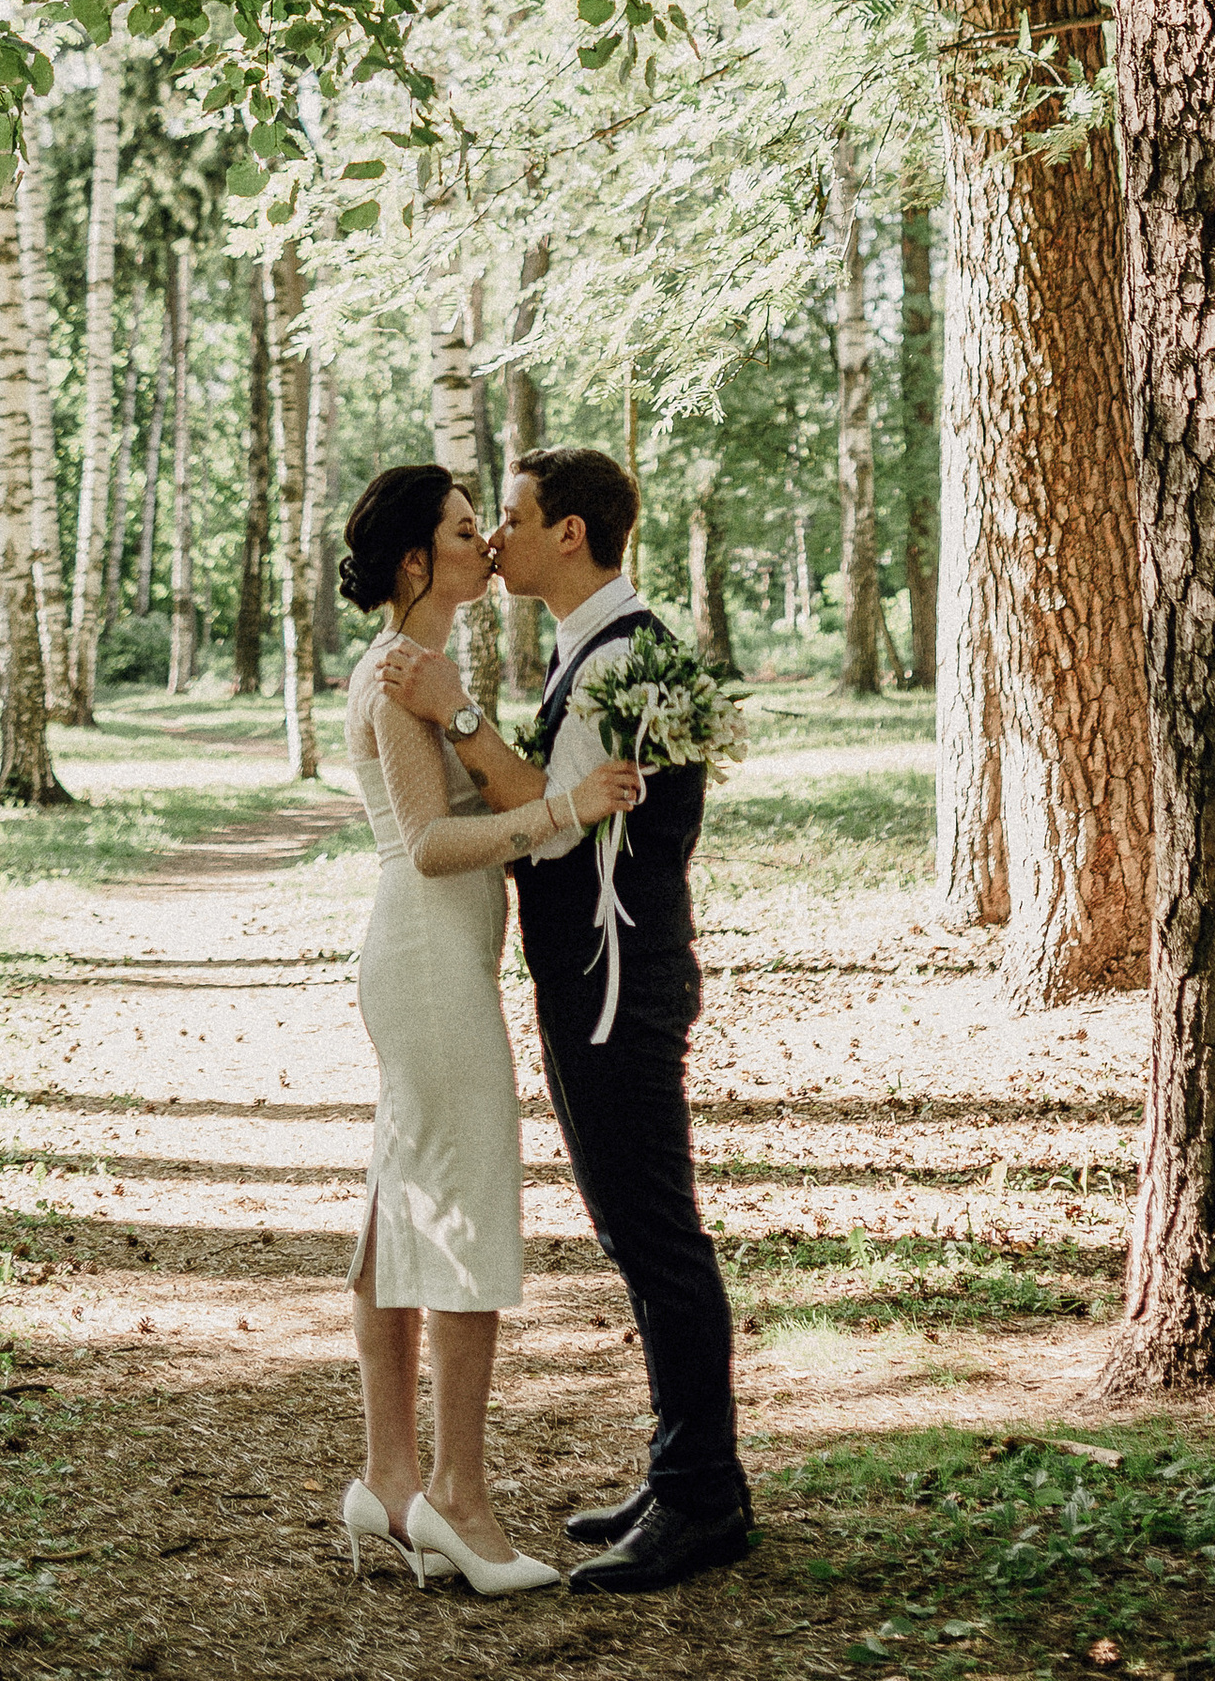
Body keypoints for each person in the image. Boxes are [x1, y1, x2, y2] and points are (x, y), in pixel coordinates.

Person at [382, 443, 755, 1595]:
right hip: (602, 979)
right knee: (632, 1229)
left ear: (571, 535)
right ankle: (679, 1464)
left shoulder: (620, 661)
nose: (495, 538)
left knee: (655, 1232)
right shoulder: (594, 652)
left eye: (512, 517)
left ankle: (705, 1498)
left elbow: (552, 829)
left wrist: (456, 717)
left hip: (616, 986)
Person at [338, 462, 643, 1597]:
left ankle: (388, 1475)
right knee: (462, 1204)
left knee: (404, 1196)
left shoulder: (426, 668)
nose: (488, 544)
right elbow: (425, 842)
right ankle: (457, 1503)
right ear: (420, 560)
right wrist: (561, 809)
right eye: (469, 530)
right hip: (423, 958)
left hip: (430, 957)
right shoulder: (401, 671)